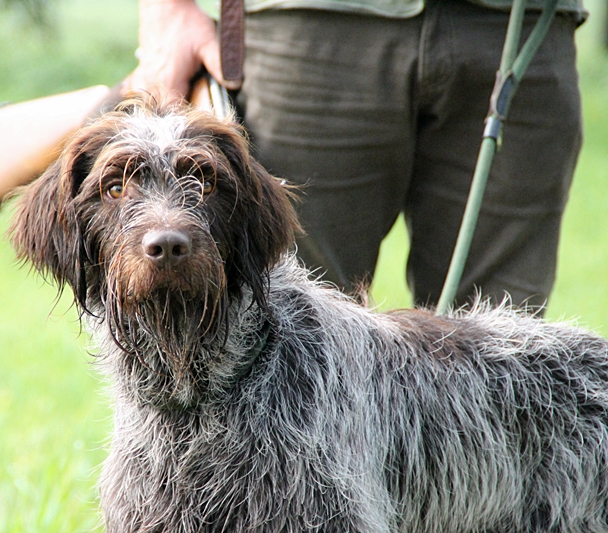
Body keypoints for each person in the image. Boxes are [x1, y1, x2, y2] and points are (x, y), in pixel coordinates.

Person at [131, 0, 586, 312]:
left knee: (506, 368)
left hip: (521, 26)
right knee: (289, 347)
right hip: (314, 26)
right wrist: (167, 8)